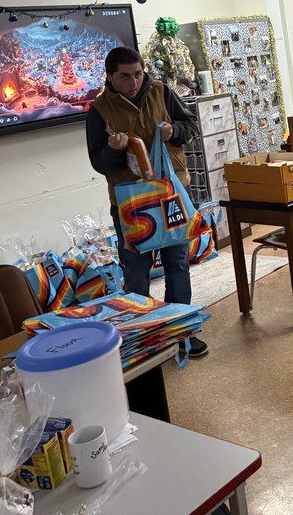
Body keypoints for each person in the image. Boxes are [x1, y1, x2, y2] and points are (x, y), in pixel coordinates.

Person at [86, 46, 208, 356]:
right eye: (125, 77)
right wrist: (113, 150)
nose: (134, 82)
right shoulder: (99, 110)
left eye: (138, 74)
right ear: (110, 77)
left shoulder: (161, 91)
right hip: (131, 205)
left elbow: (191, 127)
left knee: (177, 264)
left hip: (170, 194)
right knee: (136, 273)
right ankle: (142, 340)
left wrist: (174, 131)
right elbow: (98, 163)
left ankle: (181, 332)